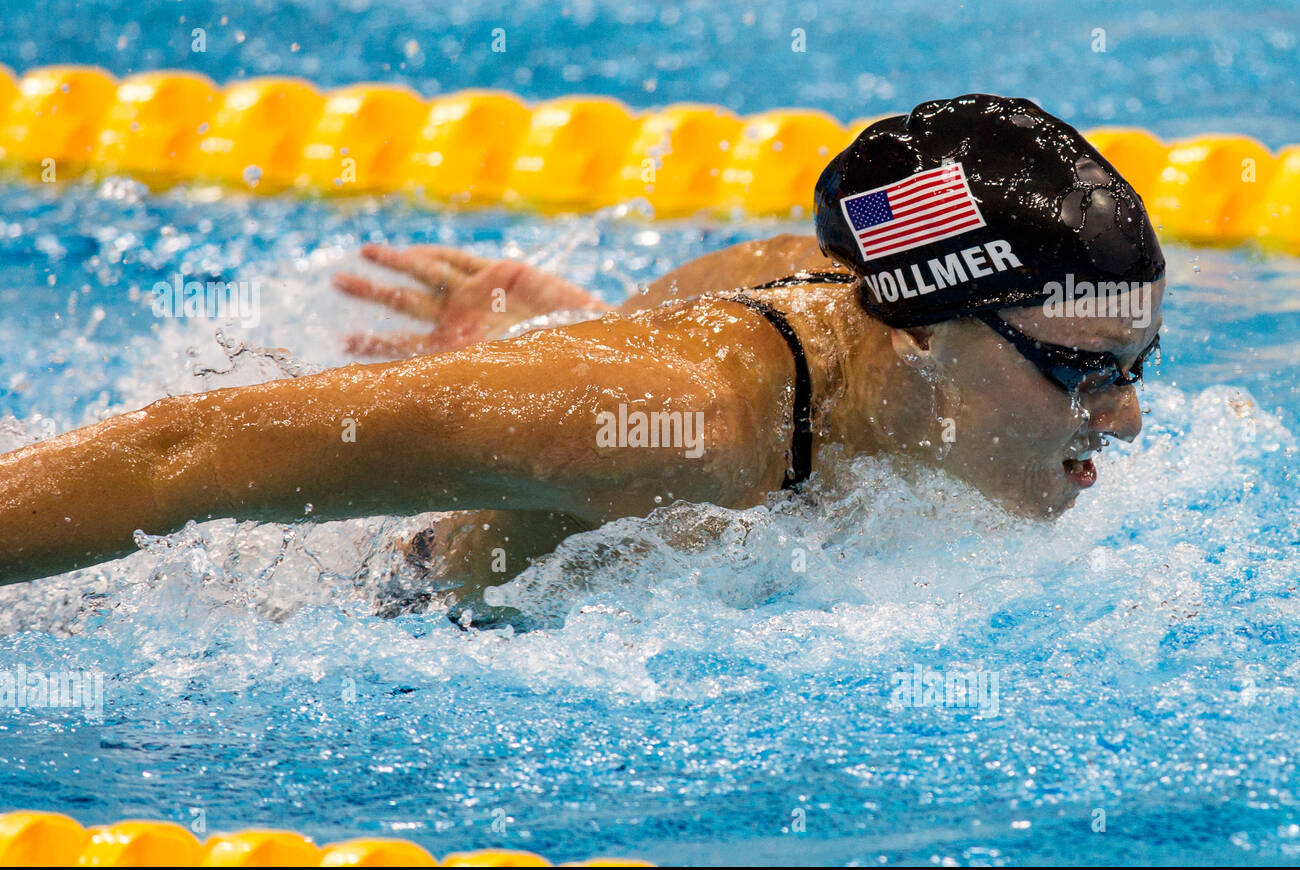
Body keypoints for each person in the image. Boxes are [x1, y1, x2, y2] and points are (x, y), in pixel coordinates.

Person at [0, 94, 1165, 606]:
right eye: (1083, 370)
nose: (1124, 418)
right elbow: (179, 450)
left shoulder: (874, 314)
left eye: (1136, 363)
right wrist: (558, 379)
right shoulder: (690, 423)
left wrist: (561, 337)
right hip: (366, 606)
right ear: (920, 326)